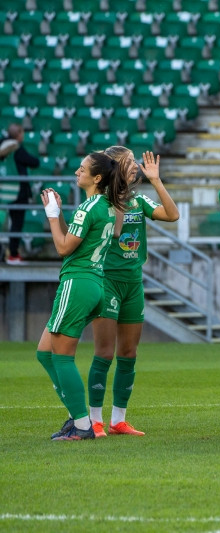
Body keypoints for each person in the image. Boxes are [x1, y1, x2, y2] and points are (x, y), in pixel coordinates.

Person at [86, 147, 179, 438]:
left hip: (133, 282)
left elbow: (172, 215)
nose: (136, 166)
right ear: (115, 168)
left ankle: (119, 420)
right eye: (129, 162)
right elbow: (114, 231)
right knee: (104, 353)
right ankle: (94, 421)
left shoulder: (139, 201)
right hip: (107, 280)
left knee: (128, 353)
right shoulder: (101, 202)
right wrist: (116, 194)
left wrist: (156, 181)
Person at [37, 151, 131, 440]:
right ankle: (76, 415)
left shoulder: (88, 207)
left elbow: (63, 248)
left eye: (82, 169)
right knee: (44, 352)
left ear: (97, 178)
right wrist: (60, 215)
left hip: (77, 282)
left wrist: (51, 215)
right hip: (95, 284)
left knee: (62, 357)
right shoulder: (106, 206)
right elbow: (76, 239)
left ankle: (80, 424)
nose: (77, 172)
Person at [2, 123, 40, 264]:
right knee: (17, 223)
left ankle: (11, 253)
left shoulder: (2, 145)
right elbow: (34, 162)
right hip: (17, 191)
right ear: (18, 134)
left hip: (3, 190)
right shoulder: (15, 147)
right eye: (22, 133)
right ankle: (13, 255)